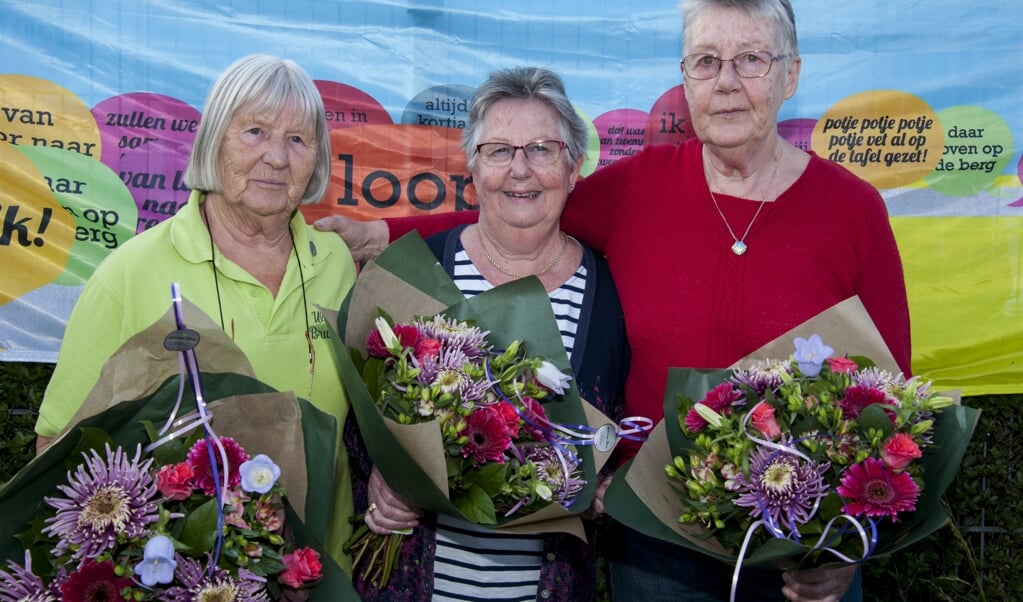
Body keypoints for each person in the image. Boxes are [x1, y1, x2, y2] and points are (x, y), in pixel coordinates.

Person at [317, 0, 911, 599]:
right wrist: (383, 235)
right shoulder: (639, 188)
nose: (726, 82)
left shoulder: (853, 212)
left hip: (800, 551)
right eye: (706, 61)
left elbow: (890, 398)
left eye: (750, 59)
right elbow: (520, 208)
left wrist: (848, 542)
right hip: (657, 552)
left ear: (792, 75)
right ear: (685, 79)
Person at [34, 54, 359, 573]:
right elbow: (57, 447)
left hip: (322, 572)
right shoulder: (133, 272)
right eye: (254, 131)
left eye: (298, 139)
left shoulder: (336, 264)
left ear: (317, 158)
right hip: (187, 577)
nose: (277, 157)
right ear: (214, 141)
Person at [343, 66, 629, 601]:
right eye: (499, 150)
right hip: (416, 579)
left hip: (549, 583)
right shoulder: (418, 271)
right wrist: (379, 476)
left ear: (572, 169)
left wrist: (612, 483)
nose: (520, 170)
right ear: (472, 169)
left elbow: (624, 427)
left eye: (542, 149)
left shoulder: (612, 295)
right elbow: (361, 420)